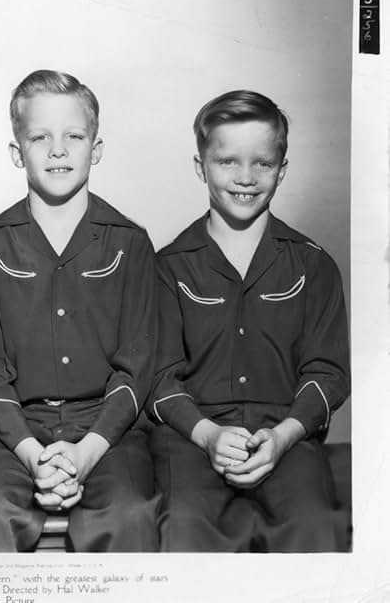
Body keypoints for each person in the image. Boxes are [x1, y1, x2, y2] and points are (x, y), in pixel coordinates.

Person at [0, 69, 159, 552]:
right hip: (10, 433)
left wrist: (88, 451)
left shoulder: (131, 244)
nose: (58, 150)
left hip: (109, 432)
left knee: (129, 518)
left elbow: (138, 365)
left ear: (95, 149)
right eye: (40, 137)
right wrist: (32, 453)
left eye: (74, 136)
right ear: (18, 153)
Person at [148, 89, 350, 551]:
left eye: (262, 163)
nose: (245, 177)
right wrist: (208, 434)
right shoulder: (168, 268)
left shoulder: (313, 265)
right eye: (227, 162)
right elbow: (158, 377)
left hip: (287, 435)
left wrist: (284, 436)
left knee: (316, 526)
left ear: (282, 169)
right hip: (191, 439)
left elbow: (329, 372)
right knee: (182, 529)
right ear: (201, 167)